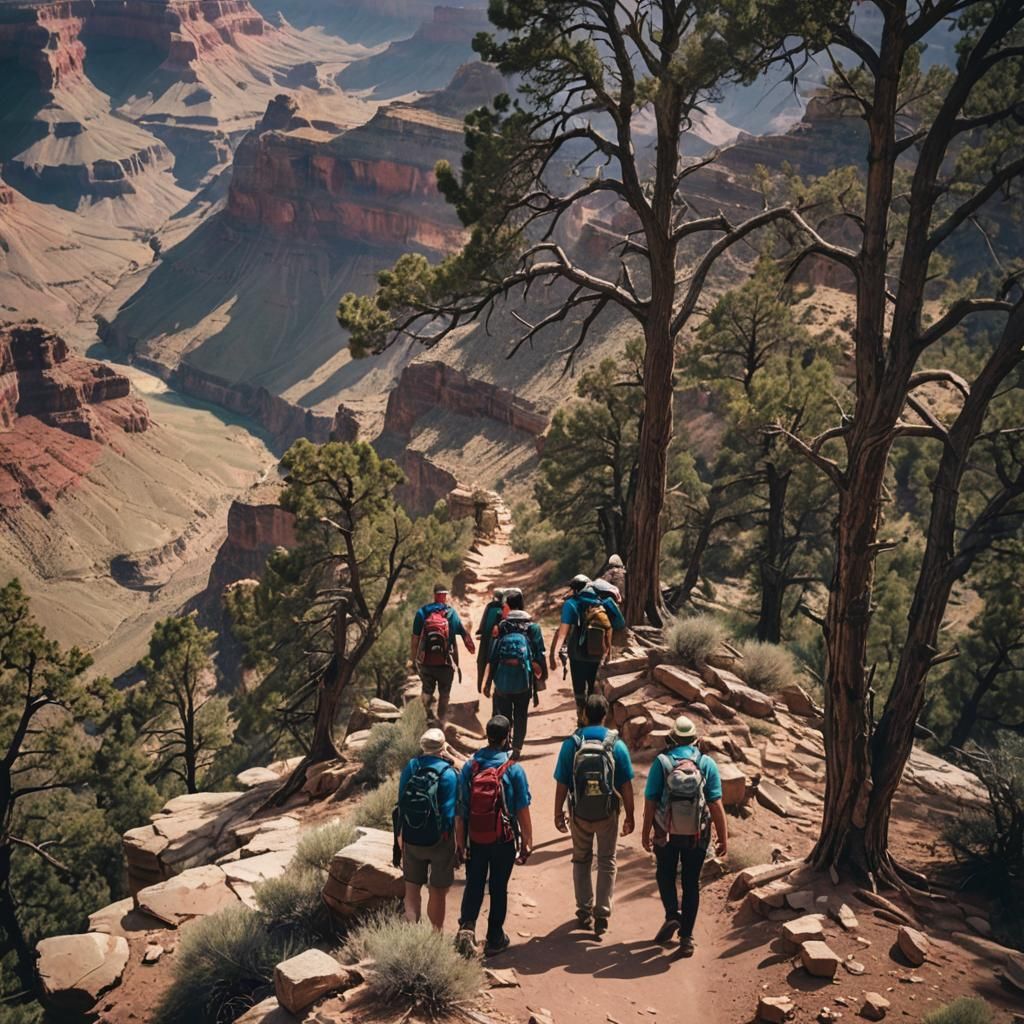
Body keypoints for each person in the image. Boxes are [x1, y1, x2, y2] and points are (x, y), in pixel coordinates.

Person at [641, 715, 728, 956]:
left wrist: (645, 830)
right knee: (691, 883)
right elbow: (715, 803)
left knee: (665, 873)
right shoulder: (706, 763)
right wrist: (723, 837)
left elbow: (650, 801)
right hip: (697, 834)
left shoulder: (662, 762)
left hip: (665, 833)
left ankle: (671, 914)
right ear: (696, 740)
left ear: (672, 738)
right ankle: (687, 938)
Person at [553, 693, 634, 936]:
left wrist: (558, 812)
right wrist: (630, 816)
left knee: (581, 859)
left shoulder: (572, 744)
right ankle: (602, 914)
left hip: (579, 812)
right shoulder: (615, 745)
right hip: (607, 813)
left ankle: (584, 911)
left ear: (585, 714)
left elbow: (562, 783)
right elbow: (626, 785)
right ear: (606, 715)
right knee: (607, 860)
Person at [455, 715, 533, 957]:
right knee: (499, 886)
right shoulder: (513, 769)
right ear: (507, 735)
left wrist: (461, 842)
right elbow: (522, 808)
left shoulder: (470, 766)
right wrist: (528, 841)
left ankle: (466, 930)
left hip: (475, 838)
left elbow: (461, 808)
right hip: (503, 839)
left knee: (475, 883)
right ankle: (495, 937)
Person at [394, 728, 459, 931]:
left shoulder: (411, 767)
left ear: (422, 746)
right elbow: (450, 814)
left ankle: (412, 935)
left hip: (411, 837)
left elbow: (401, 804)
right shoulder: (449, 773)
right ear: (443, 747)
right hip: (439, 840)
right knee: (437, 892)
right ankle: (435, 936)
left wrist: (400, 835)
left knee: (411, 890)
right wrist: (457, 845)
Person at [549, 582, 626, 722]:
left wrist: (555, 654)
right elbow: (619, 625)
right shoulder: (603, 603)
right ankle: (593, 719)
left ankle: (581, 717)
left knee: (579, 688)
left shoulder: (571, 604)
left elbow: (562, 633)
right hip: (597, 654)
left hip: (576, 654)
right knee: (593, 688)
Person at [482, 609, 542, 759]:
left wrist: (488, 683)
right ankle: (517, 748)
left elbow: (492, 661)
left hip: (503, 686)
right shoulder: (527, 639)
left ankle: (505, 745)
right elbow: (535, 665)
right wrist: (536, 685)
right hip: (523, 686)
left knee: (505, 716)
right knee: (521, 716)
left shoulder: (501, 639)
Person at [411, 583, 476, 722]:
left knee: (427, 689)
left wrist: (414, 659)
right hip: (446, 661)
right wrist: (471, 648)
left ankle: (429, 715)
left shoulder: (422, 613)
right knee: (444, 692)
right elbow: (464, 634)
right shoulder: (451, 613)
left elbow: (415, 639)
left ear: (434, 594)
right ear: (445, 595)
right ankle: (441, 718)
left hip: (426, 662)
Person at [475, 587, 507, 691]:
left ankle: (480, 685)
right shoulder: (505, 607)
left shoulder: (489, 606)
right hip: (499, 636)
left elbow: (484, 620)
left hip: (487, 636)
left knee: (481, 660)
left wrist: (480, 630)